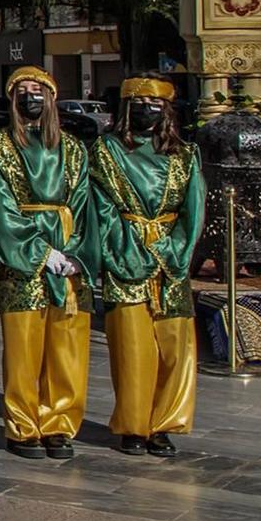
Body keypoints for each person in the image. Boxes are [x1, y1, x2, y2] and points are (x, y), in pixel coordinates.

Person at [0, 66, 97, 461]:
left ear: (51, 97)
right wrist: (42, 253)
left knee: (66, 344)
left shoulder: (75, 149)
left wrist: (77, 254)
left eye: (38, 90)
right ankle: (23, 425)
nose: (31, 97)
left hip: (69, 252)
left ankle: (60, 423)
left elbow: (83, 204)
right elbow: (4, 207)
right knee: (23, 347)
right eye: (22, 91)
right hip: (24, 259)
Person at [90, 75, 203, 457]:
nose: (146, 110)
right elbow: (102, 206)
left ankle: (164, 423)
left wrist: (175, 250)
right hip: (126, 250)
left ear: (167, 110)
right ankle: (134, 425)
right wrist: (124, 248)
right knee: (132, 347)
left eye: (155, 104)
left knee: (176, 345)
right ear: (126, 108)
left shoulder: (185, 154)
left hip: (171, 256)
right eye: (138, 103)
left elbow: (193, 208)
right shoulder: (107, 150)